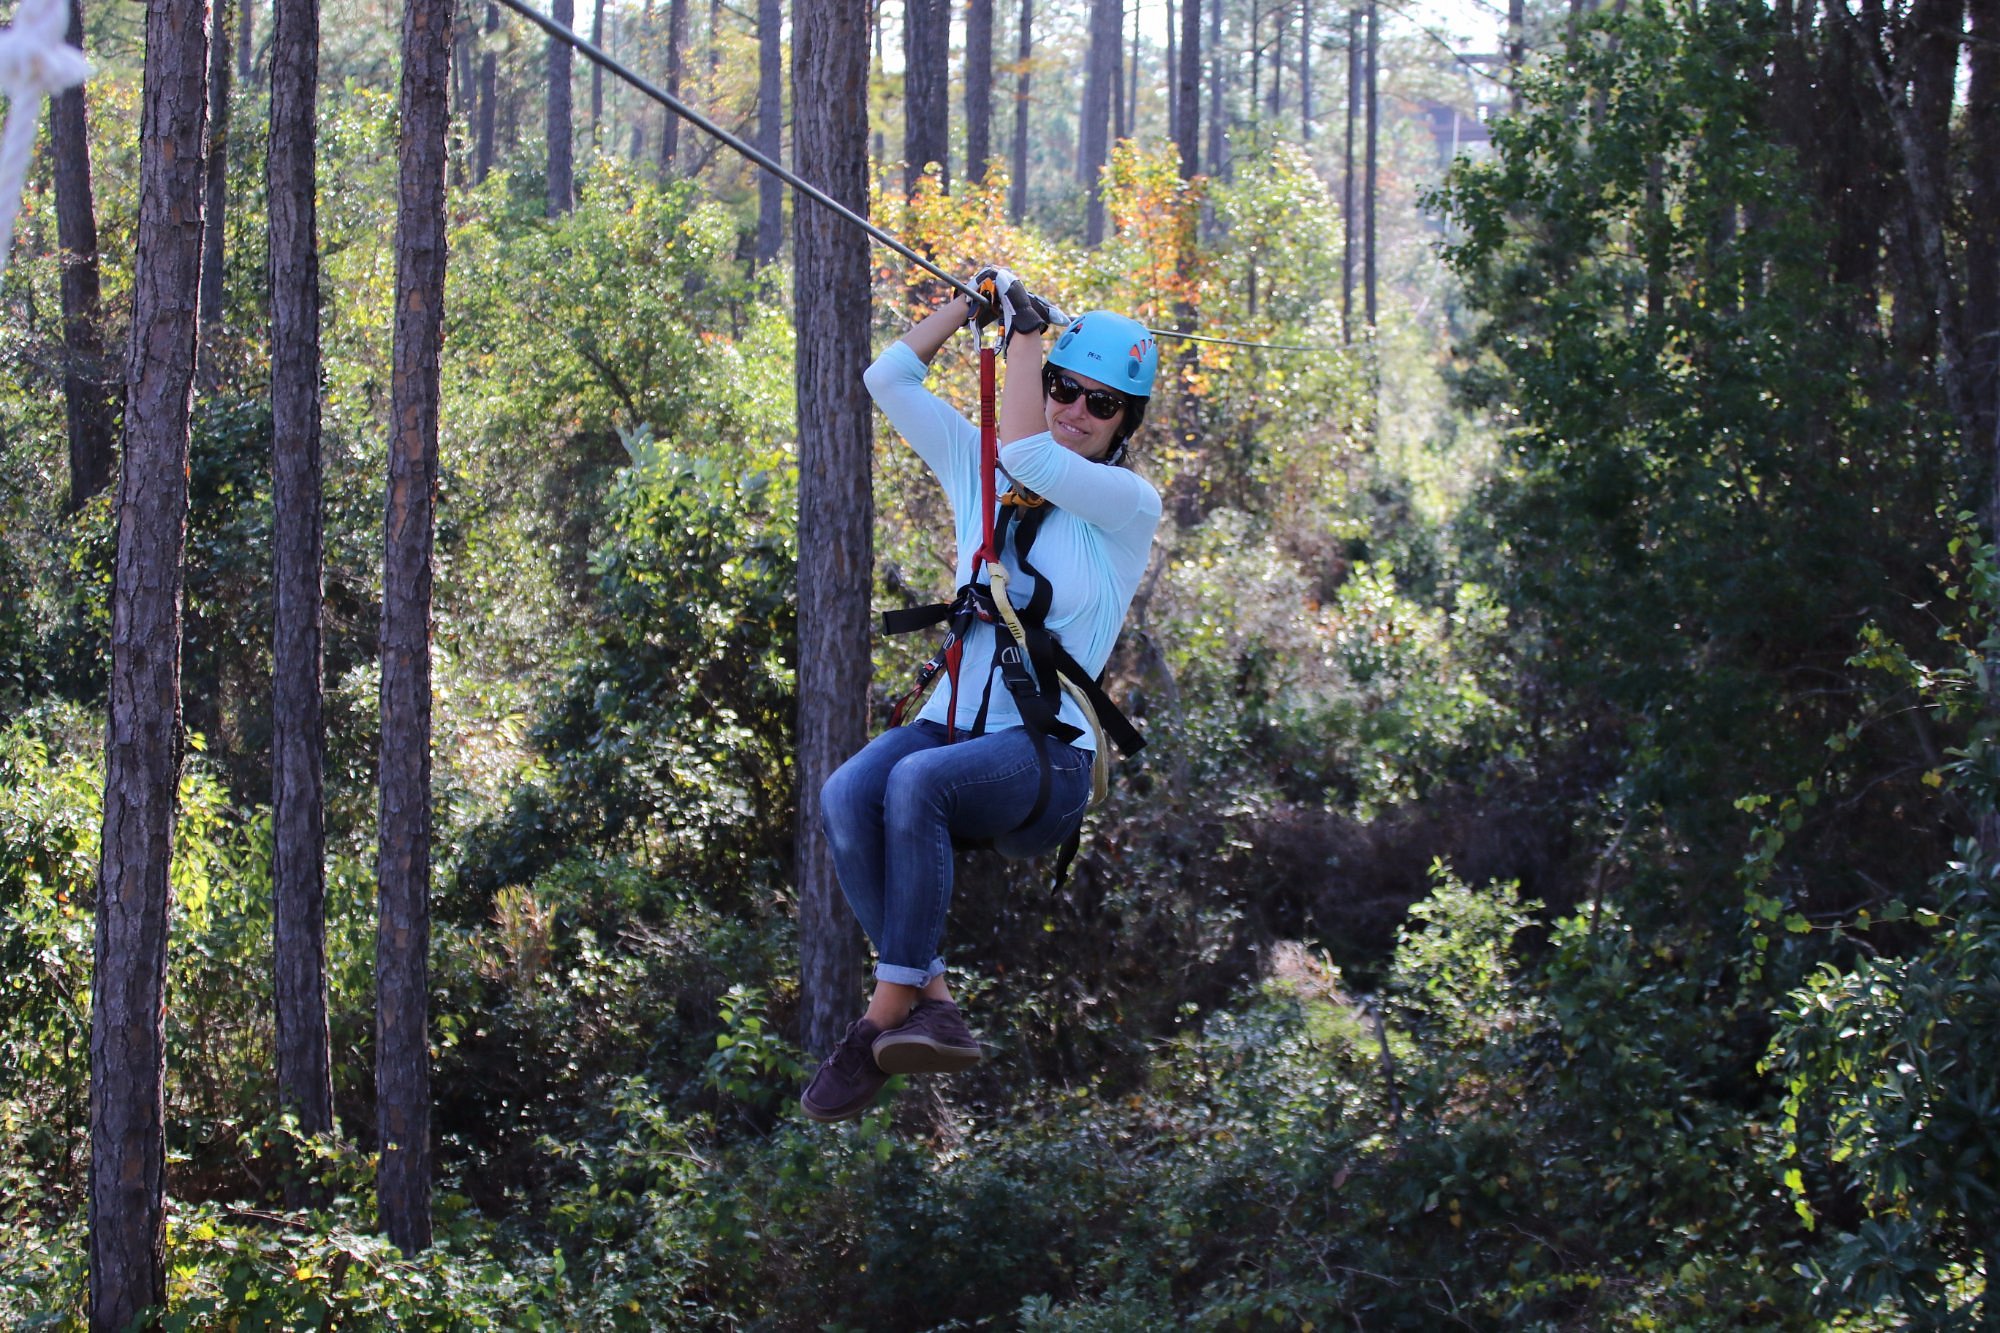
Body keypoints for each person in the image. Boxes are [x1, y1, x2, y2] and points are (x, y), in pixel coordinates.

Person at [800, 271, 1162, 1122]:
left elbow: (1033, 455)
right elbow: (887, 379)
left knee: (916, 787)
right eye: (1062, 388)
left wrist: (1028, 333)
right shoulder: (983, 465)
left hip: (1048, 758)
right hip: (954, 721)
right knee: (848, 792)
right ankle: (937, 1002)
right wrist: (972, 305)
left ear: (1124, 425)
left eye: (1099, 403)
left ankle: (881, 1023)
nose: (1074, 409)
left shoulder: (1125, 507)